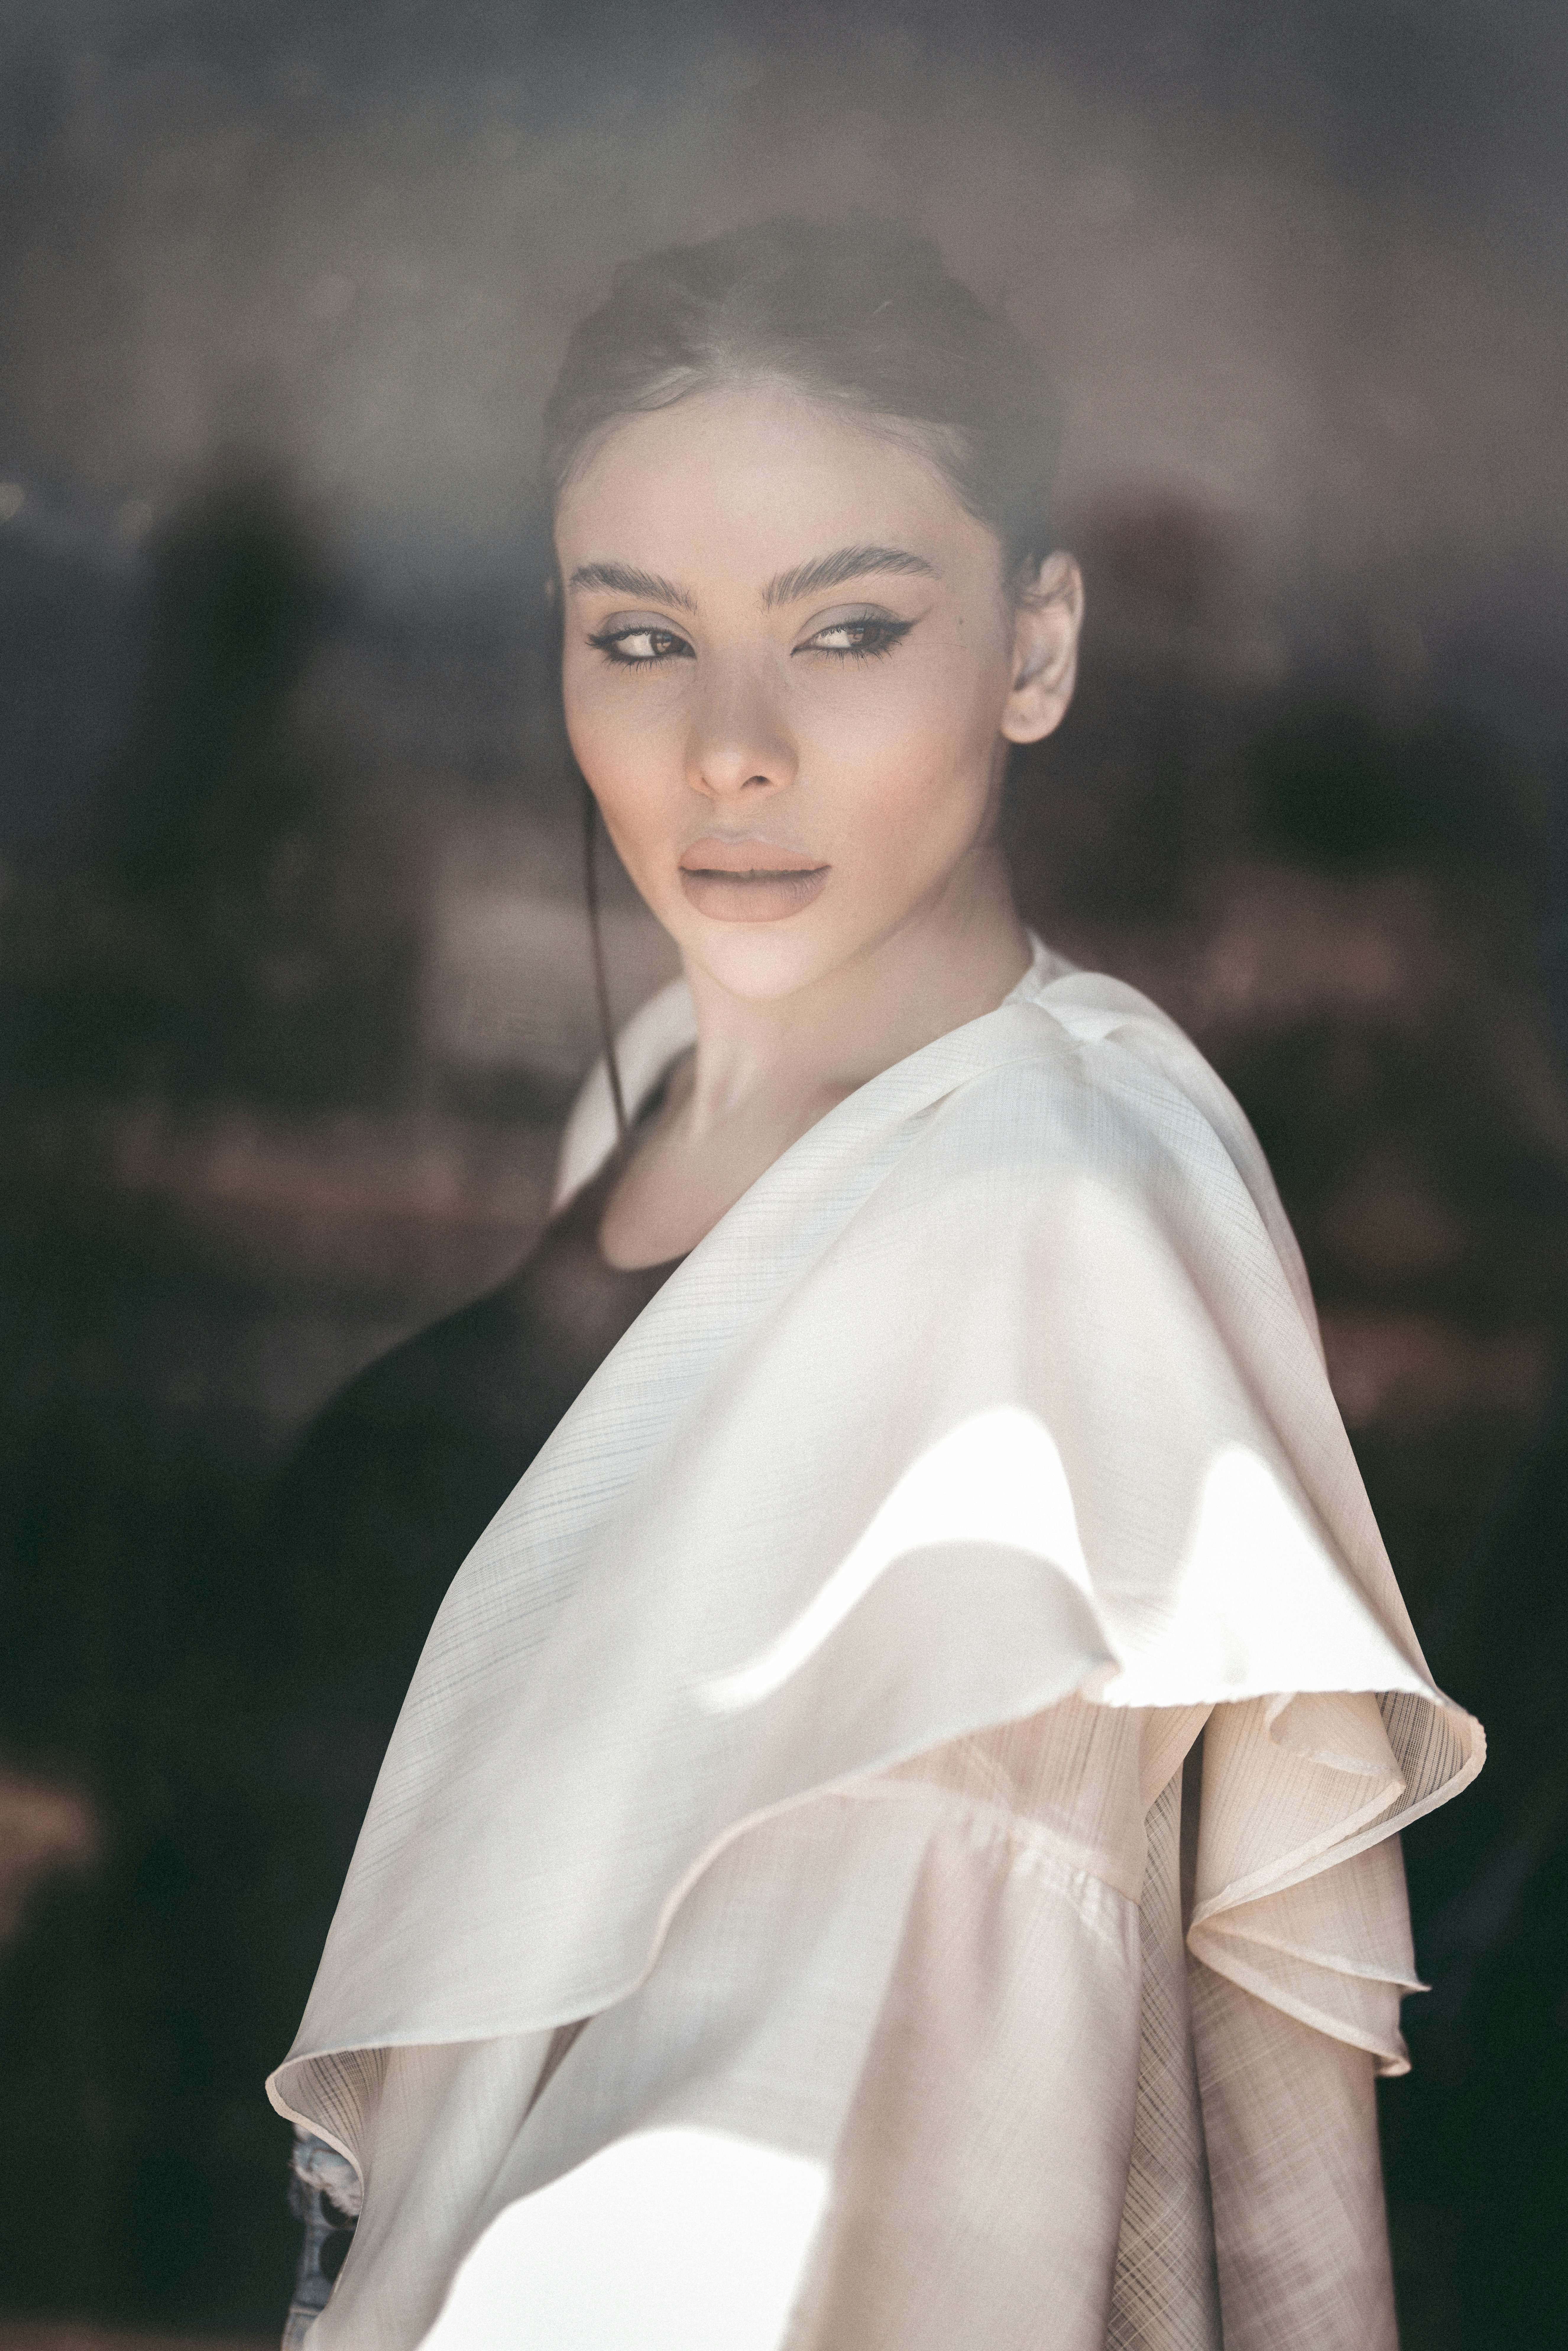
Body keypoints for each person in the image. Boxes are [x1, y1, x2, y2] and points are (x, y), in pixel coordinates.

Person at [266, 216, 1482, 2351]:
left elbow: (836, 2161)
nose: (728, 747)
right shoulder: (656, 1087)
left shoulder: (1043, 1247)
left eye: (844, 632)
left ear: (1031, 652)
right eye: (638, 640)